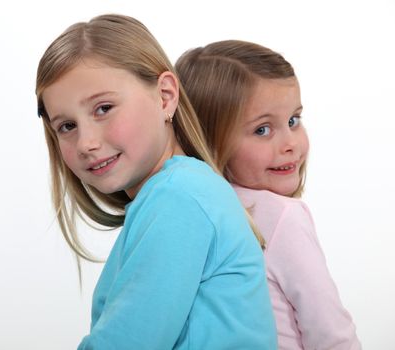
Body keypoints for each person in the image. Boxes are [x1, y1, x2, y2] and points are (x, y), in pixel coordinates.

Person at [35, 15, 276, 349]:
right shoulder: (178, 193)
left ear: (165, 97)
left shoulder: (178, 198)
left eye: (103, 108)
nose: (86, 142)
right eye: (66, 126)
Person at [176, 40, 361, 350]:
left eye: (293, 120)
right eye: (262, 130)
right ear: (210, 141)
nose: (290, 143)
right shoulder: (283, 217)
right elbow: (330, 333)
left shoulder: (192, 208)